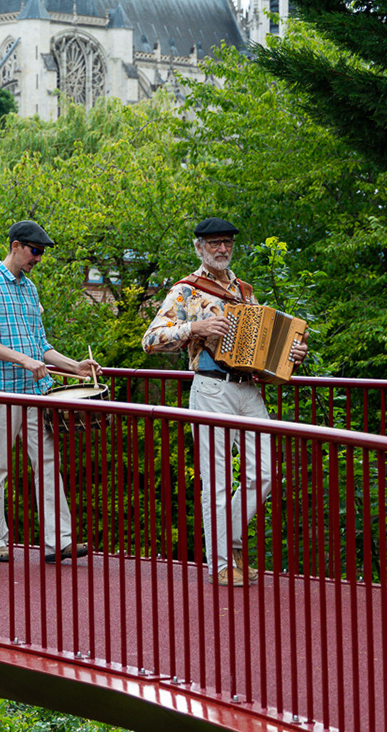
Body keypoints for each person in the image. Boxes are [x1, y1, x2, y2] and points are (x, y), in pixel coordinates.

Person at [141, 217, 309, 586]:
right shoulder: (185, 290)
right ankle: (220, 563)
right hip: (211, 387)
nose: (222, 249)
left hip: (249, 389)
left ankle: (227, 540)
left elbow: (266, 343)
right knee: (216, 480)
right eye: (215, 243)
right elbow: (150, 340)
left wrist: (292, 352)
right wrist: (193, 329)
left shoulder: (244, 291)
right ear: (199, 247)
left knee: (263, 472)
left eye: (227, 243)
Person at [0, 220, 97, 563]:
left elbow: (41, 346)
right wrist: (24, 360)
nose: (38, 258)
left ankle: (60, 541)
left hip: (33, 392)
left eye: (41, 253)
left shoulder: (30, 289)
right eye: (34, 251)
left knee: (48, 464)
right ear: (15, 246)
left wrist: (75, 367)